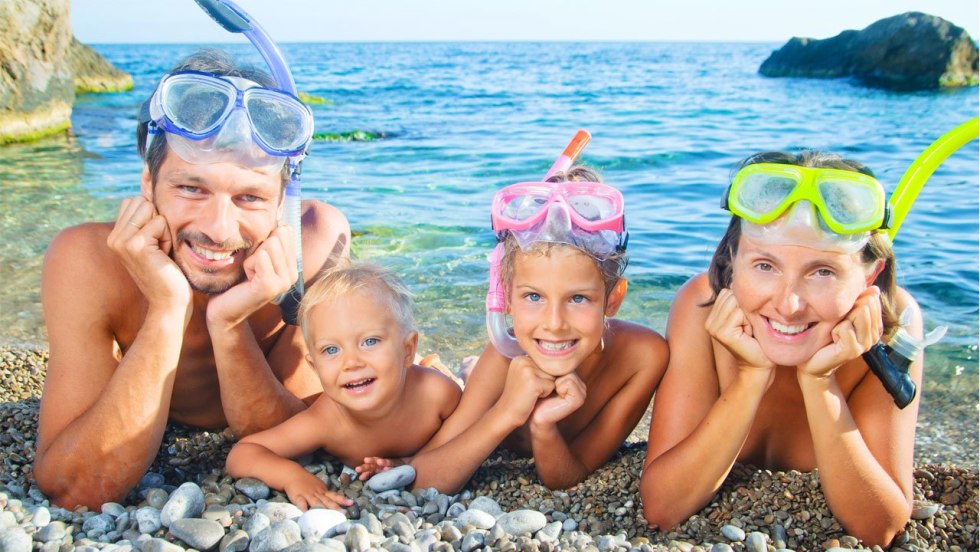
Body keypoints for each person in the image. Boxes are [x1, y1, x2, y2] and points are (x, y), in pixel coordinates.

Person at [34, 48, 351, 509]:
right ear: (148, 182)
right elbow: (76, 487)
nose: (219, 230)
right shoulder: (86, 261)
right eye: (191, 188)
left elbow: (299, 435)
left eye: (249, 197)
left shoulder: (314, 246)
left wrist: (228, 323)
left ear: (284, 199)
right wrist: (167, 309)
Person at [641, 151, 925, 547]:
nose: (788, 305)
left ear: (869, 277)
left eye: (823, 272)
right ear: (732, 260)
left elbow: (880, 527)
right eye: (764, 266)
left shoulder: (895, 324)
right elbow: (662, 507)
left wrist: (819, 381)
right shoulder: (700, 306)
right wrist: (750, 378)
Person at [410, 160, 668, 493]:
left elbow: (570, 474)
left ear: (613, 298)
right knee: (456, 388)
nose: (554, 324)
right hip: (487, 385)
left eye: (577, 299)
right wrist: (506, 412)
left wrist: (543, 424)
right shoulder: (505, 356)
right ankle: (457, 371)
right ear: (506, 299)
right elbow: (425, 477)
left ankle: (461, 370)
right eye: (533, 296)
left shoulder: (644, 357)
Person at [226, 260, 462, 510]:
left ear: (406, 349)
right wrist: (292, 477)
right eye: (331, 349)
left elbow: (465, 425)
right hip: (394, 376)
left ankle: (435, 362)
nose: (351, 362)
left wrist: (409, 461)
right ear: (315, 367)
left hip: (418, 373)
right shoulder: (326, 420)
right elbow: (244, 453)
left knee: (449, 373)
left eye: (370, 341)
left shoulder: (435, 394)